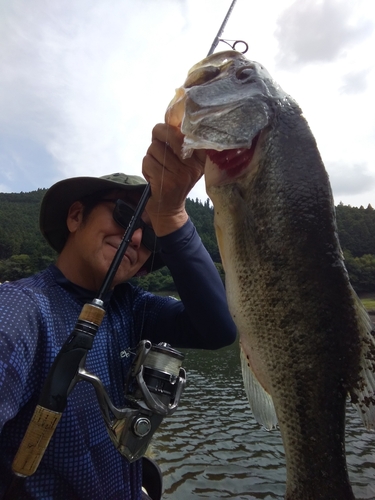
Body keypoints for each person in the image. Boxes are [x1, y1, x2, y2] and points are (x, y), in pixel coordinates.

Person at [0, 123, 237, 500]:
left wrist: (173, 215)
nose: (138, 238)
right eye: (125, 216)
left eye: (151, 235)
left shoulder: (135, 307)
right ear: (76, 216)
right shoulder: (19, 309)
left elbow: (219, 330)